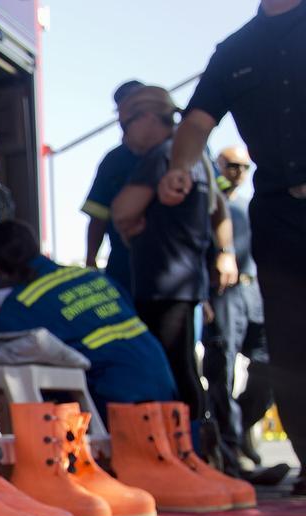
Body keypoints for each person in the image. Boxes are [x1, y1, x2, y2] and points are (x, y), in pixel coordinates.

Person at [156, 0, 305, 491]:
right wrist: (180, 167)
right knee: (289, 343)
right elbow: (197, 122)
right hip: (279, 212)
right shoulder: (235, 50)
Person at [110, 85, 237, 428]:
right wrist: (225, 253)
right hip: (185, 281)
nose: (123, 135)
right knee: (183, 367)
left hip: (164, 284)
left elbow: (122, 211)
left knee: (171, 371)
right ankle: (195, 449)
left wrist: (128, 221)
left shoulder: (163, 155)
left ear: (149, 117)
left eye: (125, 124)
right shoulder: (194, 157)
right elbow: (220, 209)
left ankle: (188, 450)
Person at [0, 219, 178, 417]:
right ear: (36, 247)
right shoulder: (93, 277)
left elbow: (16, 372)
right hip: (162, 376)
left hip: (119, 396)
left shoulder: (18, 307)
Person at [202, 146, 288, 483]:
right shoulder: (209, 200)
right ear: (218, 166)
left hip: (257, 293)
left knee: (268, 370)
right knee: (220, 369)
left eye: (244, 166)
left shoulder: (254, 204)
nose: (238, 171)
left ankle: (238, 432)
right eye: (231, 165)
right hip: (224, 292)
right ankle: (231, 448)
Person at [82, 79, 144, 295]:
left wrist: (223, 253)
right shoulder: (113, 161)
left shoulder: (184, 148)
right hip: (125, 270)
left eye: (135, 108)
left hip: (180, 273)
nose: (127, 118)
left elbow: (215, 205)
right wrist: (90, 261)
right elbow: (98, 216)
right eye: (122, 111)